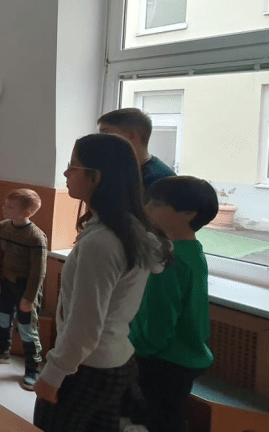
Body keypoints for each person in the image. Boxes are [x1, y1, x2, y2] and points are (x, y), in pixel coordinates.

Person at [33, 133, 171, 432]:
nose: (66, 173)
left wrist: (54, 373)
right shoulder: (128, 228)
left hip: (88, 367)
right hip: (114, 360)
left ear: (96, 177)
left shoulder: (103, 242)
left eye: (73, 166)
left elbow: (85, 324)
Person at [130, 176, 217, 432]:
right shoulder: (191, 250)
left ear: (189, 213)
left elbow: (158, 323)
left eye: (157, 204)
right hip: (181, 357)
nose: (147, 208)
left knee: (159, 422)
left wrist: (134, 349)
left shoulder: (171, 259)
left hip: (163, 360)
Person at [0, 189, 48, 392]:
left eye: (10, 206)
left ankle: (32, 368)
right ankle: (1, 350)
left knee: (27, 329)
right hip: (5, 284)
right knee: (2, 318)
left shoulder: (35, 237)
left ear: (26, 213)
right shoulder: (2, 228)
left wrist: (29, 298)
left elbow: (38, 272)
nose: (4, 208)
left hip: (26, 288)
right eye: (5, 204)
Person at [98, 108, 175, 192]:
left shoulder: (161, 181)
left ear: (131, 135)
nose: (99, 139)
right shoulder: (116, 171)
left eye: (106, 132)